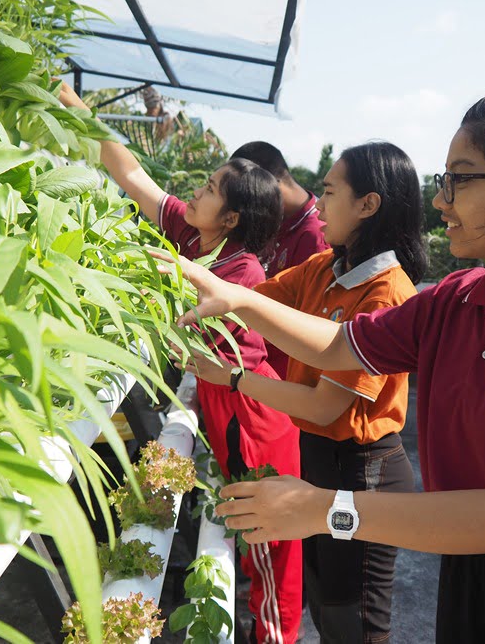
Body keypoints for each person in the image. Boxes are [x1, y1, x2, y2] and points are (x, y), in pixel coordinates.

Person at [164, 92, 485, 643]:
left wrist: (328, 509)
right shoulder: (459, 297)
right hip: (474, 563)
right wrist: (239, 299)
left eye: (459, 179)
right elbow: (341, 347)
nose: (440, 201)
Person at [56, 82, 303, 644]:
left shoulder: (242, 275)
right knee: (245, 548)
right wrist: (73, 107)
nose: (196, 191)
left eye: (211, 188)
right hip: (225, 406)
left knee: (268, 562)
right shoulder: (193, 232)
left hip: (252, 421)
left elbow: (187, 342)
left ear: (233, 218)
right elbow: (131, 175)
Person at [181, 142, 427, 643]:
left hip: (363, 470)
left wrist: (230, 377)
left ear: (368, 205)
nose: (317, 203)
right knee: (325, 608)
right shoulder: (323, 270)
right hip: (319, 457)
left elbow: (325, 404)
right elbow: (248, 301)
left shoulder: (387, 292)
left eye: (331, 191)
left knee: (352, 621)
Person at [231, 141, 328, 378]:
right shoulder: (277, 219)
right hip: (256, 363)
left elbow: (307, 327)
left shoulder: (316, 236)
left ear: (272, 184)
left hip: (282, 376)